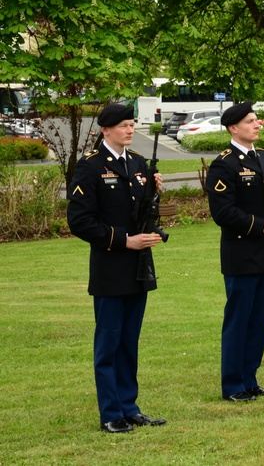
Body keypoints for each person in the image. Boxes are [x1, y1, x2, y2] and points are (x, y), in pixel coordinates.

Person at [67, 103, 167, 433]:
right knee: (109, 342)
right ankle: (111, 412)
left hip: (139, 267)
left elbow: (142, 211)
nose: (129, 130)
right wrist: (125, 241)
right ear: (105, 130)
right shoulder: (91, 167)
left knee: (129, 341)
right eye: (124, 125)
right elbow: (80, 221)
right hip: (111, 266)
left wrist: (154, 193)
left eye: (131, 124)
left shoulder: (138, 164)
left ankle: (130, 405)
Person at [206, 101, 264, 401]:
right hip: (242, 253)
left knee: (260, 320)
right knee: (239, 320)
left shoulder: (263, 157)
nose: (257, 124)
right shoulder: (225, 163)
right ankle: (233, 384)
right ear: (233, 128)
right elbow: (223, 212)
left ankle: (250, 378)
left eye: (257, 120)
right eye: (251, 121)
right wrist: (263, 227)